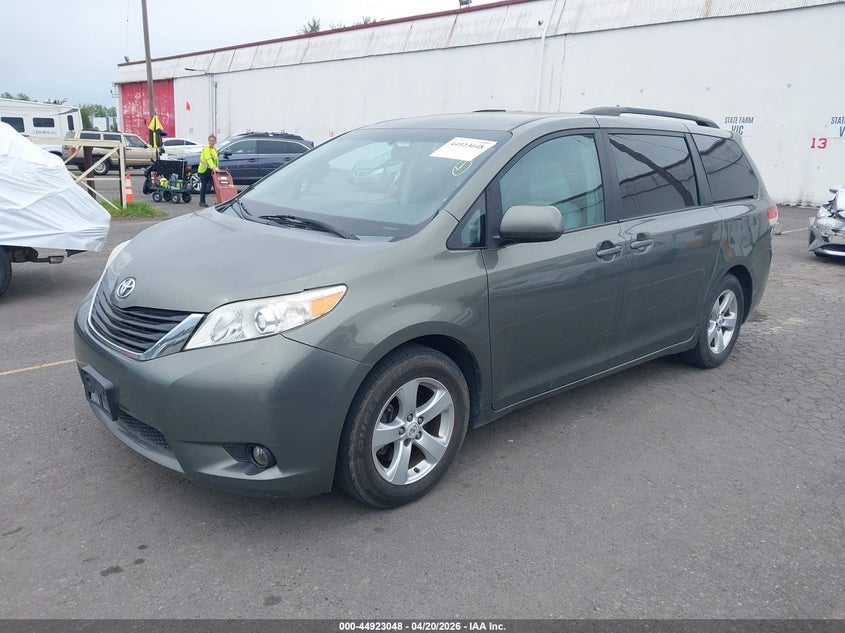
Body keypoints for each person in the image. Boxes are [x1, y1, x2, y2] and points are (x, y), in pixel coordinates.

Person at [197, 135, 218, 207]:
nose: (212, 142)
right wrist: (214, 167)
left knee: (216, 186)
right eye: (210, 141)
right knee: (204, 186)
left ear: (215, 142)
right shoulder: (206, 149)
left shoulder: (214, 150)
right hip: (204, 170)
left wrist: (217, 168)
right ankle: (202, 202)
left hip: (211, 171)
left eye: (213, 141)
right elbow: (208, 159)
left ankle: (219, 201)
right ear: (208, 141)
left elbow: (216, 161)